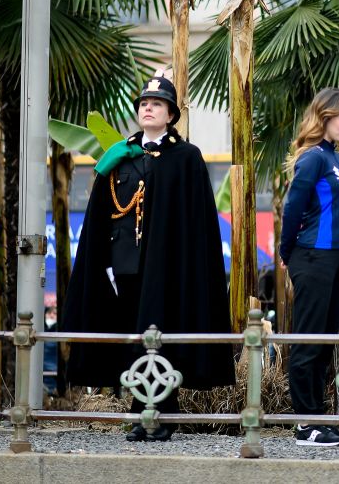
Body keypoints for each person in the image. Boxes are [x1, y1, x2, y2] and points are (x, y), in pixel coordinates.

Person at [62, 72, 235, 442]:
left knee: (162, 338)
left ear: (170, 114)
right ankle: (140, 411)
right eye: (143, 104)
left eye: (156, 104)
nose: (148, 109)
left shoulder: (185, 158)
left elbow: (196, 224)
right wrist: (105, 263)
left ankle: (163, 413)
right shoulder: (120, 155)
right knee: (135, 338)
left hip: (169, 269)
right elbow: (103, 214)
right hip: (126, 267)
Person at [279, 88, 339, 447]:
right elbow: (293, 208)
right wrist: (286, 251)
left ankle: (318, 419)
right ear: (324, 116)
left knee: (323, 343)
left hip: (333, 258)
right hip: (311, 256)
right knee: (307, 342)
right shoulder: (312, 159)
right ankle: (304, 425)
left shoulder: (333, 157)